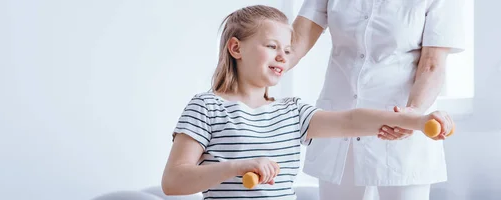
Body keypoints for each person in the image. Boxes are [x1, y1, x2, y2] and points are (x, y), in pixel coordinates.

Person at [161, 5, 454, 200]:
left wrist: (417, 119)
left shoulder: (292, 112)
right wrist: (234, 167)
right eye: (272, 46)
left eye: (287, 49)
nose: (283, 56)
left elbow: (351, 120)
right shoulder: (206, 108)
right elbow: (173, 181)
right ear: (236, 48)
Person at [288, 0, 465, 199]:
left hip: (400, 123)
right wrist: (252, 78)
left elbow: (432, 64)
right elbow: (294, 45)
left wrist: (413, 112)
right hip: (339, 124)